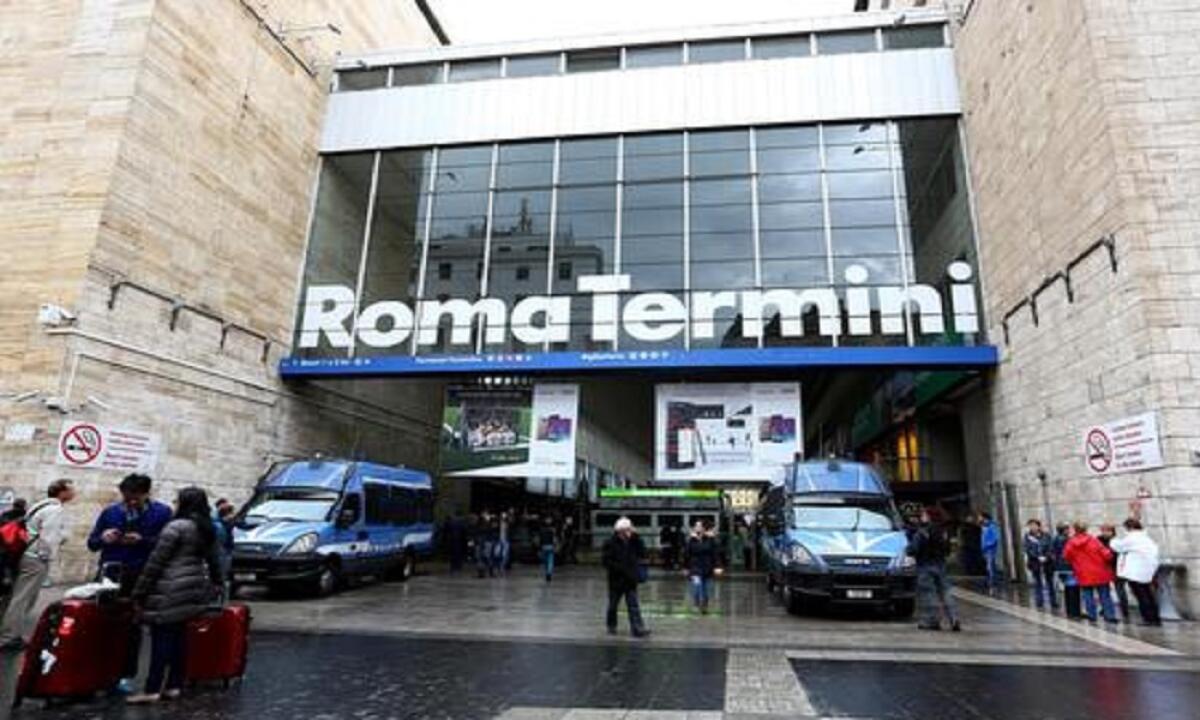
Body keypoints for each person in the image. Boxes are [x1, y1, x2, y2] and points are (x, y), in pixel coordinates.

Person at [126, 487, 223, 704]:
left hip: (169, 588)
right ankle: (173, 685)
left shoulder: (176, 527)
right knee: (180, 638)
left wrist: (139, 592)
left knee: (162, 639)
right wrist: (217, 584)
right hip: (193, 587)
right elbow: (215, 561)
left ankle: (152, 689)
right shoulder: (206, 528)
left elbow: (156, 562)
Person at [86, 473, 173, 690]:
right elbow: (92, 543)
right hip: (111, 572)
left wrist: (142, 540)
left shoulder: (162, 513)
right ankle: (98, 670)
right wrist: (103, 538)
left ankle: (126, 673)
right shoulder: (111, 512)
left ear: (147, 493)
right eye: (127, 497)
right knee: (103, 621)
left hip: (141, 574)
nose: (131, 501)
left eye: (136, 497)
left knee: (133, 626)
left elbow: (166, 545)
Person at [0, 480, 76, 651]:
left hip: (26, 555)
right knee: (23, 598)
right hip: (36, 559)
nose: (74, 493)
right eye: (71, 489)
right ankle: (8, 637)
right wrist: (47, 558)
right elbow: (49, 539)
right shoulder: (55, 510)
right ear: (62, 492)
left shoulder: (40, 506)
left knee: (15, 595)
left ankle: (6, 632)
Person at [907, 507, 960, 632]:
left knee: (928, 594)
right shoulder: (943, 531)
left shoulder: (922, 532)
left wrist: (909, 550)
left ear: (930, 516)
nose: (922, 517)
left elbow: (913, 549)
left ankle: (932, 621)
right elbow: (947, 549)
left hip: (925, 566)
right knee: (946, 592)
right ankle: (954, 618)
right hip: (940, 565)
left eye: (924, 514)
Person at [1062, 521, 1118, 624]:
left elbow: (1066, 557)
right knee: (1105, 595)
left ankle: (1092, 616)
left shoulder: (1071, 543)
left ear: (1075, 529)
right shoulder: (1094, 540)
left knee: (1087, 595)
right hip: (1100, 572)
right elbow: (1107, 555)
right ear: (1086, 529)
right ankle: (1109, 616)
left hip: (1083, 573)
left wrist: (1076, 562)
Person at [602, 517, 649, 638]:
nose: (630, 532)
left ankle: (637, 628)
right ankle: (611, 625)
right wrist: (620, 569)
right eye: (628, 530)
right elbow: (606, 561)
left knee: (633, 606)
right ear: (621, 531)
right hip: (616, 580)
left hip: (630, 579)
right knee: (613, 605)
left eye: (630, 529)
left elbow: (643, 552)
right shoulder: (610, 543)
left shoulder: (633, 541)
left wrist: (637, 536)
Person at [1110, 518, 1162, 626]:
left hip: (1136, 573)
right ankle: (1155, 618)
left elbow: (1117, 546)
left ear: (1129, 528)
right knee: (1149, 594)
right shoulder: (1146, 538)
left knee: (1141, 596)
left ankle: (1148, 619)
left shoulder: (1132, 538)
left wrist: (1113, 539)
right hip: (1147, 571)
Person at [683, 521, 721, 614]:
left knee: (706, 590)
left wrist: (717, 566)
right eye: (696, 526)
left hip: (707, 567)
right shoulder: (691, 540)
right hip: (695, 568)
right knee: (697, 587)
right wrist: (686, 568)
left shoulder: (710, 539)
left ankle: (704, 605)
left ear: (704, 528)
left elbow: (715, 554)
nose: (697, 527)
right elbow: (687, 554)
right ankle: (697, 603)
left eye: (699, 526)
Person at [1022, 519, 1058, 611]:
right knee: (1038, 582)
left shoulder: (1046, 535)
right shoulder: (1027, 537)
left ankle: (1053, 602)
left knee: (1050, 582)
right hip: (1035, 562)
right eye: (1030, 525)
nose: (1032, 527)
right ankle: (1039, 602)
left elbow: (1051, 547)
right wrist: (1037, 557)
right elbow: (1027, 549)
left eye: (1034, 525)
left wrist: (1046, 557)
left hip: (1048, 562)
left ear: (1038, 526)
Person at [1097, 523, 1131, 620]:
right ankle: (1105, 608)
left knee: (1120, 590)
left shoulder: (1116, 541)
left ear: (1112, 531)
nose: (1104, 533)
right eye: (1103, 530)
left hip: (1117, 569)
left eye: (1106, 531)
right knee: (1104, 590)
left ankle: (1125, 610)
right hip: (1104, 568)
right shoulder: (1099, 540)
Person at [979, 512, 1001, 592]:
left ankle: (992, 582)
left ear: (985, 518)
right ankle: (992, 581)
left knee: (990, 566)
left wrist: (988, 545)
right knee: (990, 566)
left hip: (990, 549)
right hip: (985, 549)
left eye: (980, 517)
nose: (979, 519)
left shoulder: (992, 526)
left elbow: (996, 538)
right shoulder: (984, 526)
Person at [539, 517, 558, 582]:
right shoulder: (553, 530)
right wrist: (555, 546)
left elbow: (540, 540)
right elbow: (554, 539)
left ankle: (548, 572)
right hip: (550, 546)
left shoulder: (542, 530)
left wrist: (540, 547)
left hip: (544, 546)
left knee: (546, 561)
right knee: (550, 561)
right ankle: (549, 573)